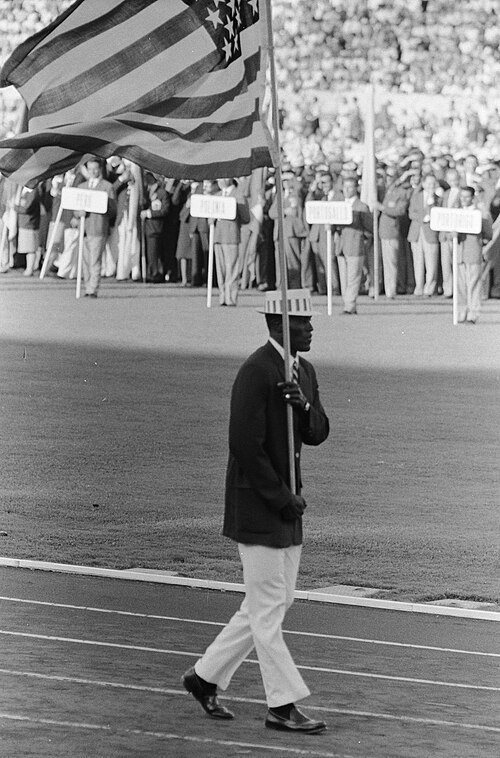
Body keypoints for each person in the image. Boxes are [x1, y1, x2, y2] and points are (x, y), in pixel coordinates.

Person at [182, 288, 329, 734]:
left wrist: (301, 406)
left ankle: (204, 677)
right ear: (281, 324)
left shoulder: (303, 372)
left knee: (274, 601)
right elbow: (244, 446)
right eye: (303, 322)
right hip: (260, 503)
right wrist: (281, 498)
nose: (311, 328)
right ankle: (281, 707)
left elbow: (319, 431)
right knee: (267, 608)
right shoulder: (255, 370)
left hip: (287, 504)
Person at [73, 158, 116, 297]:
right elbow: (75, 208)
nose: (93, 171)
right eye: (90, 169)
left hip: (98, 228)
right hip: (84, 229)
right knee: (85, 261)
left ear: (100, 169)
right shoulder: (82, 187)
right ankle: (87, 287)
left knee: (95, 260)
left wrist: (100, 208)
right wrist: (78, 213)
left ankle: (93, 288)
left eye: (95, 169)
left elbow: (112, 210)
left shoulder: (107, 187)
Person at [456, 186, 492, 324]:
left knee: (474, 284)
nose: (464, 199)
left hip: (473, 252)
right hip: (459, 253)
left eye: (467, 196)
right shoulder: (457, 212)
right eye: (462, 196)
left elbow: (488, 234)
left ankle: (473, 313)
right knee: (460, 285)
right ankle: (461, 312)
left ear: (472, 197)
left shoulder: (480, 213)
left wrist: (479, 240)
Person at [336, 176, 372, 314]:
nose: (346, 190)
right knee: (344, 278)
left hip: (355, 246)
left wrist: (362, 238)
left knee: (353, 278)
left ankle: (349, 305)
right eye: (345, 187)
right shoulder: (339, 204)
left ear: (356, 188)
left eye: (350, 187)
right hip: (341, 246)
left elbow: (369, 227)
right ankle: (348, 304)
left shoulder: (361, 206)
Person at [213, 178, 249, 306]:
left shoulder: (238, 195)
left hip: (231, 236)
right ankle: (222, 295)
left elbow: (246, 217)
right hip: (218, 237)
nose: (220, 181)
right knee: (220, 269)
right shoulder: (216, 195)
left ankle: (231, 297)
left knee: (232, 268)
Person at [407, 173, 441, 297]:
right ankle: (419, 287)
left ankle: (430, 288)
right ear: (424, 184)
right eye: (428, 183)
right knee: (418, 262)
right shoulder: (416, 196)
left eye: (433, 183)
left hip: (430, 233)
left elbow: (439, 215)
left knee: (431, 262)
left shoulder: (438, 199)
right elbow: (411, 213)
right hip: (416, 232)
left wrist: (432, 204)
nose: (431, 186)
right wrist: (423, 218)